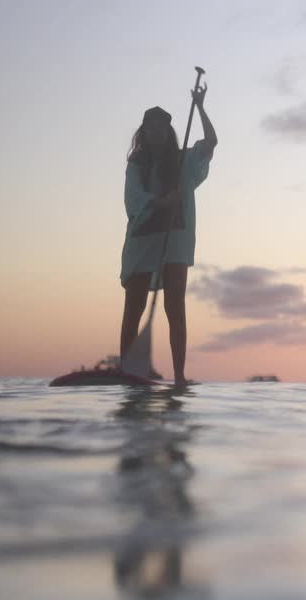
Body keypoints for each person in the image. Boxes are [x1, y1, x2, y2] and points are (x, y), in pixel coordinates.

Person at [119, 84, 217, 386]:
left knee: (175, 306)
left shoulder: (184, 159)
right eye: (151, 126)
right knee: (133, 306)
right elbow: (133, 197)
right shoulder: (136, 166)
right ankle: (126, 372)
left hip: (175, 241)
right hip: (142, 241)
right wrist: (160, 201)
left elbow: (212, 142)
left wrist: (199, 106)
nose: (157, 131)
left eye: (162, 126)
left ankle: (179, 376)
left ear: (168, 130)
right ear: (144, 132)